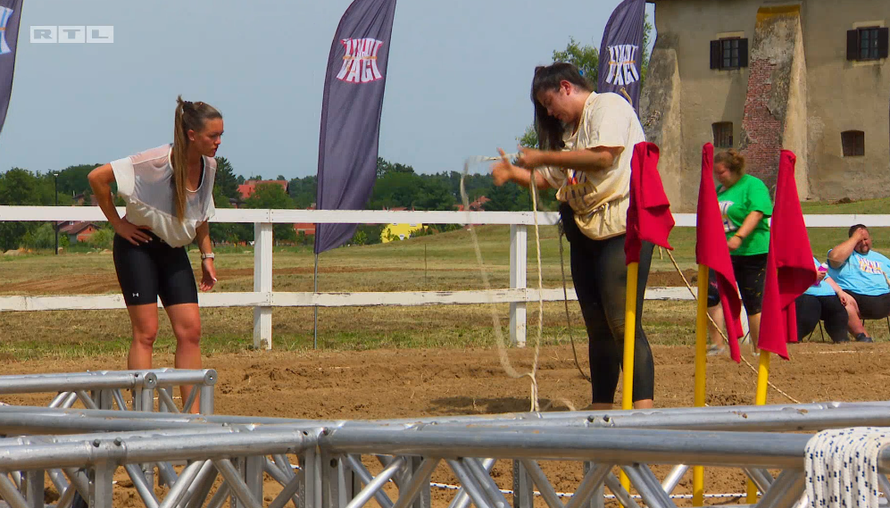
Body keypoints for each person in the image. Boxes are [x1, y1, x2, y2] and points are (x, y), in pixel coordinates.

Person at [490, 62, 653, 409]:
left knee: (623, 323)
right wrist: (514, 173)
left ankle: (642, 411)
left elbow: (603, 156)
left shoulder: (608, 106)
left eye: (550, 103)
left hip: (621, 227)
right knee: (597, 325)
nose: (551, 113)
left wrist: (541, 156)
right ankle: (602, 405)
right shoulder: (570, 134)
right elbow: (549, 180)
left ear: (566, 87)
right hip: (584, 230)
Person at [87, 96, 222, 412]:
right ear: (191, 134)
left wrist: (207, 257)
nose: (218, 142)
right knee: (146, 332)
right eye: (212, 136)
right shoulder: (153, 162)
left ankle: (194, 416)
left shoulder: (209, 167)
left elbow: (200, 214)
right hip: (139, 247)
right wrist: (118, 225)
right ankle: (141, 413)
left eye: (220, 136)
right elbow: (97, 177)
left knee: (191, 330)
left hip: (174, 250)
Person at [706, 149, 772, 356]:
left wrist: (739, 237)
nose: (719, 177)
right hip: (722, 254)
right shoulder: (719, 192)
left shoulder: (753, 185)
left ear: (734, 170)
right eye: (716, 173)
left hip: (752, 252)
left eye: (722, 172)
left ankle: (758, 348)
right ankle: (717, 344)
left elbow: (757, 212)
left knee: (753, 301)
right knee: (711, 295)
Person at [826, 224, 890, 342]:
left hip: (884, 299)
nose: (864, 243)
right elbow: (834, 259)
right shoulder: (844, 255)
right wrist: (855, 238)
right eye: (859, 240)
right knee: (843, 301)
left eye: (865, 239)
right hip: (854, 299)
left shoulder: (882, 260)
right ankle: (863, 337)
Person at [796, 256, 862, 343]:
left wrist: (839, 291)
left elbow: (826, 277)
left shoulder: (811, 257)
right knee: (810, 312)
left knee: (839, 313)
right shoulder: (791, 258)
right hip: (807, 294)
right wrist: (811, 278)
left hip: (828, 295)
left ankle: (842, 340)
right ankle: (795, 339)